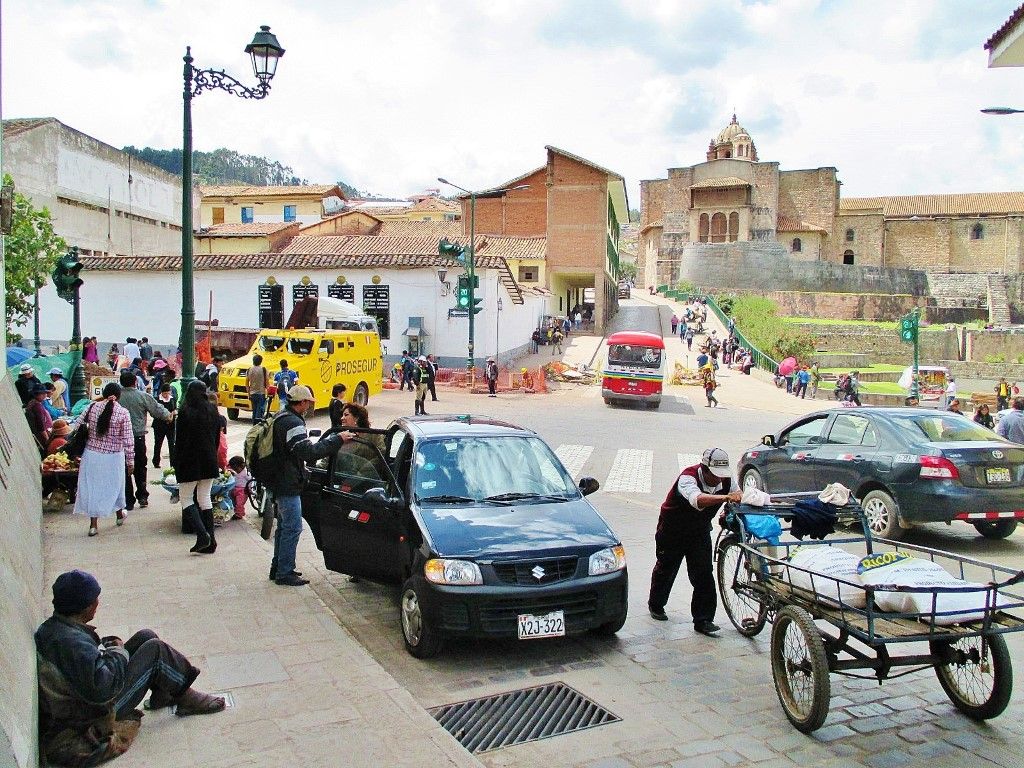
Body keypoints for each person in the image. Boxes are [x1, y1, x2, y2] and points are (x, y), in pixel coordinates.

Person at [36, 570, 224, 767]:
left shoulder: (57, 628)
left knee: (146, 636)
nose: (98, 604)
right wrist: (117, 653)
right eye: (94, 600)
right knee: (155, 651)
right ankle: (186, 696)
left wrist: (114, 652)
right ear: (83, 607)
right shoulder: (72, 643)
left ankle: (165, 693)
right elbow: (103, 690)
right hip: (94, 713)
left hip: (86, 697)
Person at [648, 448, 741, 635]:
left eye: (722, 475)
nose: (719, 479)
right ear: (704, 468)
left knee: (703, 573)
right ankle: (656, 604)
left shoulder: (727, 481)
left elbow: (738, 494)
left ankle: (703, 619)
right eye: (715, 475)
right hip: (672, 530)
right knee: (667, 567)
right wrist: (724, 497)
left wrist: (738, 498)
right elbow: (697, 500)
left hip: (699, 531)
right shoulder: (688, 478)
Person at [263, 385, 341, 585]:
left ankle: (278, 567)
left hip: (278, 480)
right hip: (286, 483)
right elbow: (308, 452)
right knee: (293, 527)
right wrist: (337, 440)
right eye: (308, 402)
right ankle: (284, 572)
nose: (309, 407)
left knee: (283, 527)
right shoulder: (293, 422)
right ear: (302, 402)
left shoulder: (280, 417)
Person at [74, 383, 132, 537]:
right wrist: (131, 461)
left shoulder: (92, 407)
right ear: (119, 396)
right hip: (114, 457)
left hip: (92, 454)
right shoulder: (123, 413)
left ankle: (93, 525)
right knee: (115, 487)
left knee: (94, 488)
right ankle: (119, 515)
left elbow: (76, 425)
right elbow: (128, 439)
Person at [172, 381, 223, 554]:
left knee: (186, 497)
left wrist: (176, 462)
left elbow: (179, 441)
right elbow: (216, 438)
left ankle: (202, 535)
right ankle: (211, 541)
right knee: (204, 497)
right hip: (209, 459)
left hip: (189, 459)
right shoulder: (212, 410)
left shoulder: (185, 412)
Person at [117, 370, 171, 510]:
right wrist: (169, 415)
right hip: (137, 437)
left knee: (123, 469)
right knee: (140, 467)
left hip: (119, 439)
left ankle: (128, 500)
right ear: (135, 381)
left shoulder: (117, 398)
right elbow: (158, 410)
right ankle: (142, 496)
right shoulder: (142, 396)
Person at [152, 383, 177, 468]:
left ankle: (173, 463)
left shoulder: (172, 399)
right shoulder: (157, 400)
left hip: (170, 425)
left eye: (168, 393)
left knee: (171, 444)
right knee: (158, 443)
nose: (166, 395)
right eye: (165, 393)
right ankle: (156, 461)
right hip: (159, 424)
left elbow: (174, 409)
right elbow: (155, 412)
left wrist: (173, 413)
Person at [25, 383, 53, 455]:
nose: (45, 395)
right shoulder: (37, 407)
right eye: (42, 393)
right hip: (40, 436)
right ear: (36, 394)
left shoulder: (33, 403)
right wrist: (47, 440)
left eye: (45, 393)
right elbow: (41, 426)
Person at [246, 353, 269, 423]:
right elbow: (267, 383)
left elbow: (247, 383)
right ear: (261, 361)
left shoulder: (249, 370)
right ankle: (257, 426)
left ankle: (254, 424)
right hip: (261, 393)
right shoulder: (264, 370)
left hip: (252, 394)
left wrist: (248, 393)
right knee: (260, 411)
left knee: (254, 411)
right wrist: (268, 392)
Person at [228, 455, 249, 520]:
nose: (235, 471)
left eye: (236, 469)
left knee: (239, 503)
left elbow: (250, 481)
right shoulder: (237, 471)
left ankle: (239, 514)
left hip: (242, 491)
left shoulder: (246, 473)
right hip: (235, 488)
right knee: (232, 499)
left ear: (242, 466)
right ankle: (236, 509)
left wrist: (250, 489)